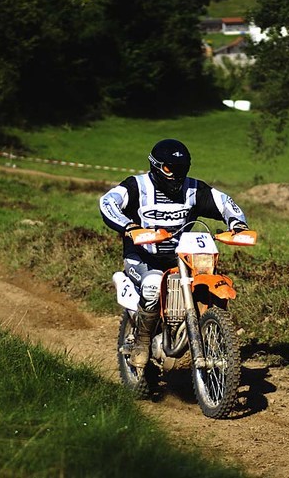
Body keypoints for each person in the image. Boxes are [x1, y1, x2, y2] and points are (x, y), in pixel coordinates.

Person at [99, 138, 249, 367]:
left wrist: (237, 224)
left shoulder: (194, 189)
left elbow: (225, 202)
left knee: (204, 279)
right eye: (170, 168)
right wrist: (129, 226)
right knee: (152, 286)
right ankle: (142, 342)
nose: (177, 174)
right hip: (142, 256)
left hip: (181, 258)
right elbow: (108, 202)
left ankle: (205, 333)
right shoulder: (136, 186)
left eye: (182, 168)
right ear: (156, 166)